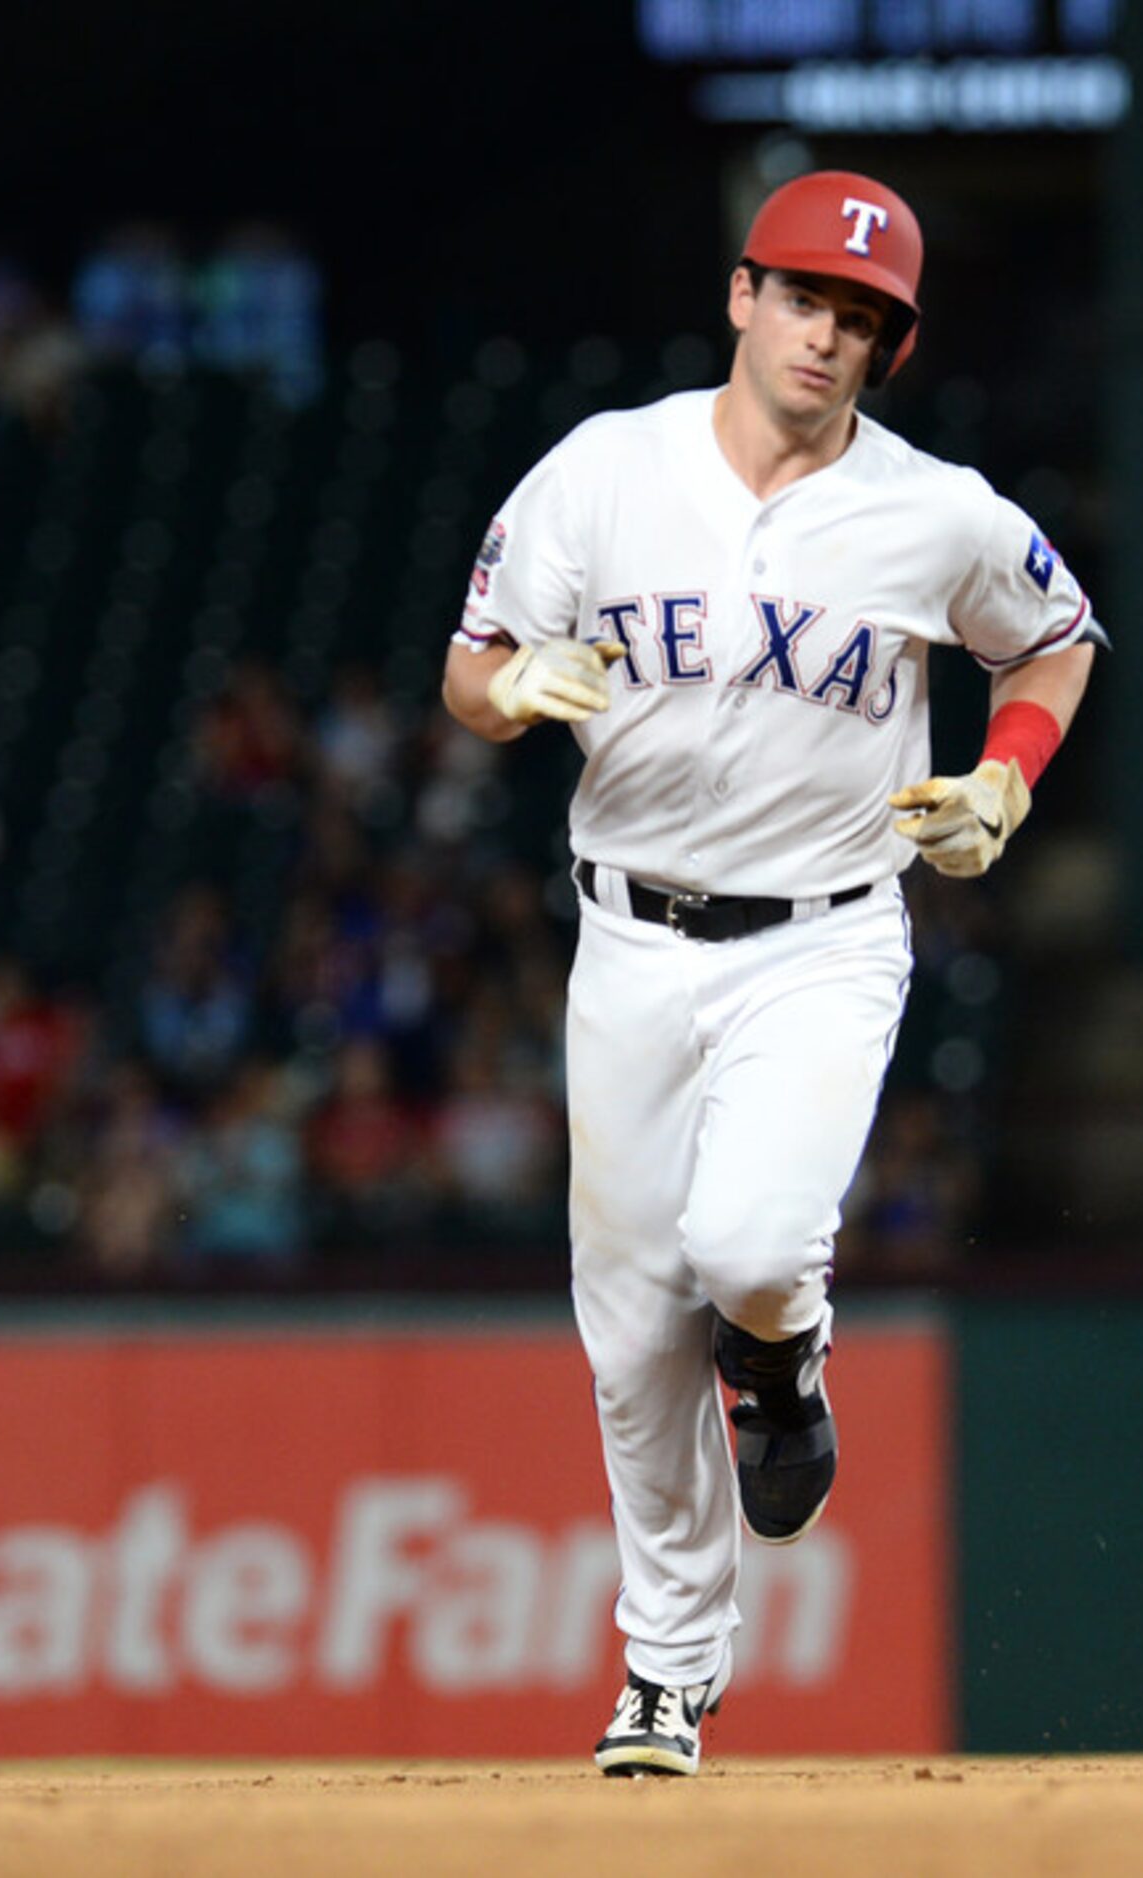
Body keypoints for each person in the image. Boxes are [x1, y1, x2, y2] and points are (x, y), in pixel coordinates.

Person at [441, 170, 1100, 1777]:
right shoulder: (606, 469)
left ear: (892, 346)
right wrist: (514, 684)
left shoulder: (930, 508)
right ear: (742, 296)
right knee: (626, 1337)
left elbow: (1057, 635)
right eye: (806, 297)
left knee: (742, 1246)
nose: (829, 331)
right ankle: (666, 1672)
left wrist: (1006, 776)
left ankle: (784, 1348)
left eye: (864, 316)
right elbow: (467, 670)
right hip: (628, 936)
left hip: (819, 934)